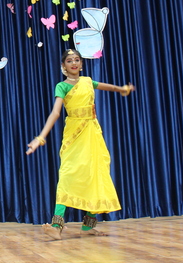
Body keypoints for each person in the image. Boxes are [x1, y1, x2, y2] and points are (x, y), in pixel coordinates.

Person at [26, 49, 134, 239]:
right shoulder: (62, 86)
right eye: (69, 61)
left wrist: (121, 89)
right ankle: (56, 225)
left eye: (77, 60)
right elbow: (55, 113)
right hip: (74, 135)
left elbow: (105, 86)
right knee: (67, 175)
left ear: (82, 64)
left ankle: (88, 226)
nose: (74, 63)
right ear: (63, 66)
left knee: (95, 175)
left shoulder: (87, 81)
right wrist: (40, 138)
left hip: (92, 133)